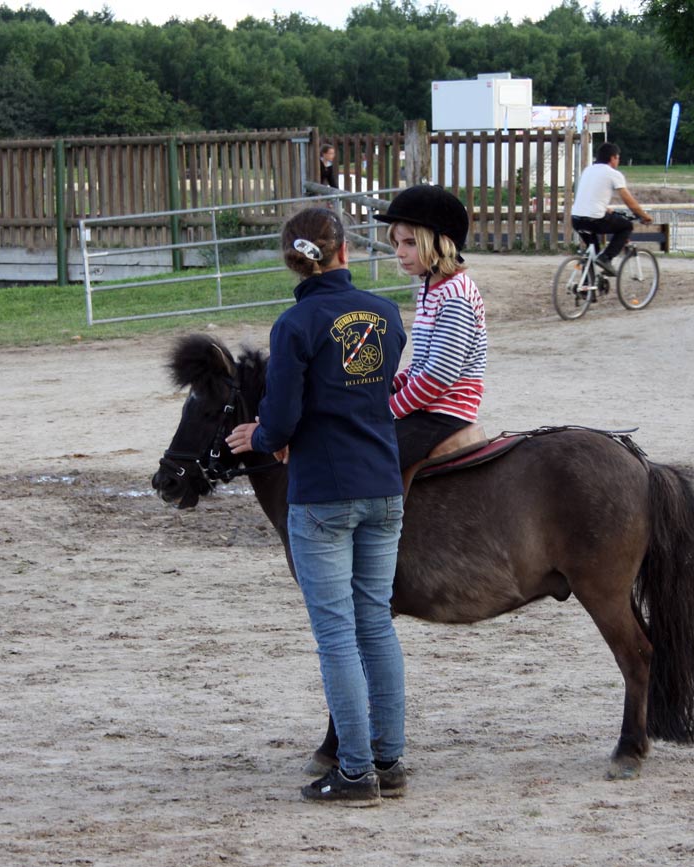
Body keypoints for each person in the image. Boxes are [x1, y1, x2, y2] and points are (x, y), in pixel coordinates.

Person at [225, 207, 409, 807]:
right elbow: (379, 390)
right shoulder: (385, 313)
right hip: (383, 483)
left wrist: (256, 436)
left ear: (293, 260)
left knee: (336, 636)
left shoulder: (295, 323)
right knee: (376, 625)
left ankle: (355, 772)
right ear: (345, 251)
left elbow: (280, 420)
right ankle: (389, 756)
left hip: (324, 493)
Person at [373, 185, 487, 469]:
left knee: (369, 458)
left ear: (441, 243)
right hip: (430, 405)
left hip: (445, 412)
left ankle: (385, 515)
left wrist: (390, 409)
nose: (399, 252)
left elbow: (439, 374)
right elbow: (423, 364)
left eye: (410, 243)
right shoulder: (432, 287)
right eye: (397, 243)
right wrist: (389, 384)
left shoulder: (455, 294)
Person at [571, 142, 653, 276]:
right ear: (613, 158)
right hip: (595, 219)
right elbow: (628, 199)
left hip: (576, 219)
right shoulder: (613, 174)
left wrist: (605, 208)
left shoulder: (588, 170)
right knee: (626, 226)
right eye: (618, 158)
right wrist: (643, 215)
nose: (618, 161)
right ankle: (607, 258)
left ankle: (586, 288)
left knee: (593, 252)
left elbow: (591, 194)